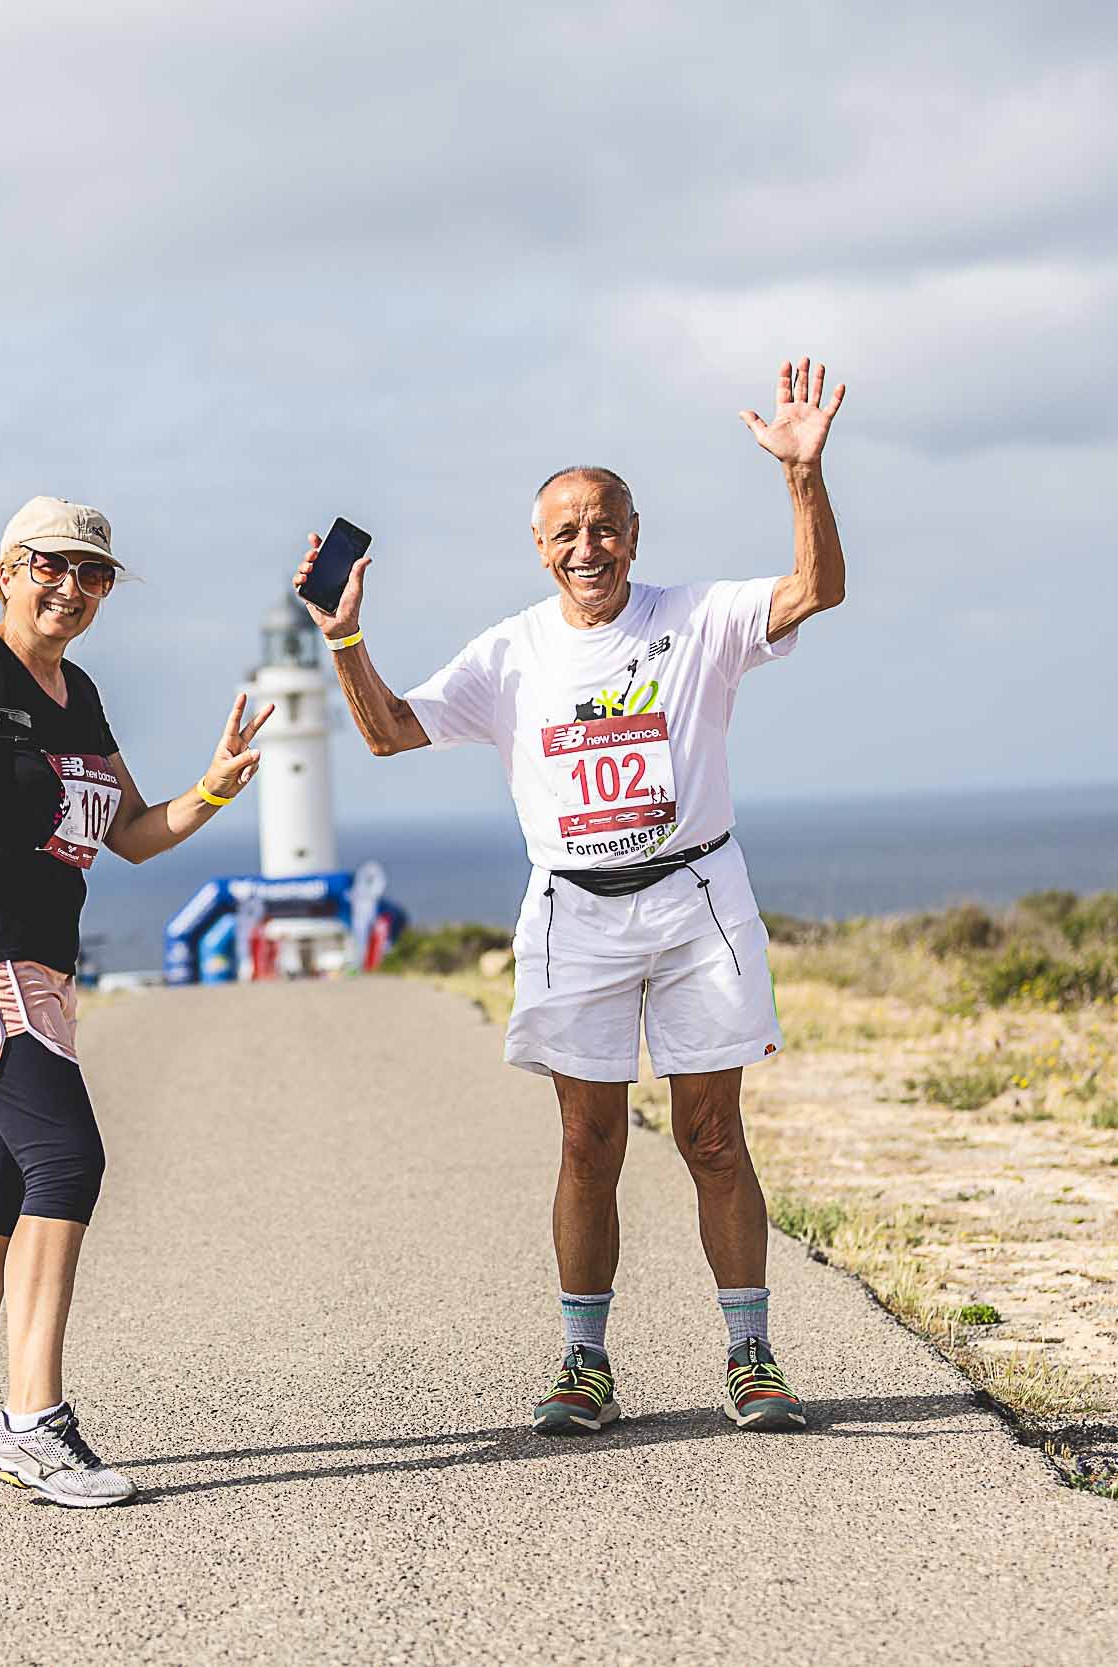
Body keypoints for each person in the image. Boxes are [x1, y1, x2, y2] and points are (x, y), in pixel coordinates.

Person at [298, 360, 849, 1435]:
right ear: (538, 547)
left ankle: (751, 1356)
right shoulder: (511, 652)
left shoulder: (697, 618)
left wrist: (802, 475)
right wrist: (342, 638)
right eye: (565, 533)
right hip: (575, 913)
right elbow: (389, 731)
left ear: (634, 536)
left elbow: (815, 588)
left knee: (712, 1135)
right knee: (589, 1143)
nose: (586, 547)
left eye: (604, 528)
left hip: (696, 899)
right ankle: (585, 1362)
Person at [0, 494, 271, 1506]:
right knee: (68, 1159)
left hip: (42, 965)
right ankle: (31, 1422)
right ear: (7, 571)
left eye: (93, 573)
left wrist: (214, 786)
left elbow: (132, 833)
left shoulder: (78, 691)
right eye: (49, 565)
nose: (71, 587)